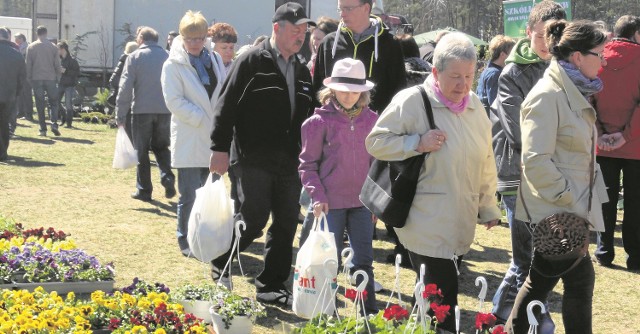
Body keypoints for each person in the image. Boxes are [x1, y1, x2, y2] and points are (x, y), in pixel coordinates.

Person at [366, 33, 501, 333]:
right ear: (435, 72)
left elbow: (486, 159)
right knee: (443, 301)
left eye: (468, 76)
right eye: (454, 76)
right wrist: (417, 143)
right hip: (425, 219)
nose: (462, 84)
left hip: (460, 220)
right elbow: (375, 142)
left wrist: (488, 205)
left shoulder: (475, 106)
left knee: (429, 296)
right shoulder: (413, 101)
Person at [504, 20, 609, 334]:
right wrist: (569, 199)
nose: (604, 62)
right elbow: (535, 160)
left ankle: (509, 329)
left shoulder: (569, 89)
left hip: (567, 207)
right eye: (599, 54)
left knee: (541, 281)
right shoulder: (549, 94)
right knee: (577, 280)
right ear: (577, 57)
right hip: (557, 209)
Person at [208, 2, 315, 306]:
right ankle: (222, 261)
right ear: (277, 28)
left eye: (305, 31)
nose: (301, 36)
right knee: (253, 217)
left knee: (285, 221)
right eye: (296, 30)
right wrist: (219, 148)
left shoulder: (302, 69)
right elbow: (225, 106)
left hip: (290, 160)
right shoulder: (251, 61)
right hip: (251, 155)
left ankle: (271, 284)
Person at [489, 2, 566, 328]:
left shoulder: (562, 68)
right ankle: (530, 323)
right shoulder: (513, 72)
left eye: (556, 35)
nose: (549, 43)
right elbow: (518, 130)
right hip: (519, 174)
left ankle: (498, 316)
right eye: (542, 36)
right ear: (528, 32)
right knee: (530, 259)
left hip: (550, 172)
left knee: (534, 258)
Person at [299, 58, 379, 314]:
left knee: (364, 261)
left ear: (363, 92)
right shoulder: (317, 123)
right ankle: (326, 312)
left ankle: (368, 313)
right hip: (329, 204)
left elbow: (378, 164)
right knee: (327, 263)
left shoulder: (373, 120)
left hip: (362, 204)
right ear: (332, 89)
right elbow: (307, 165)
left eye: (355, 91)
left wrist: (376, 200)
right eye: (343, 90)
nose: (349, 96)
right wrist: (317, 196)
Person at [161, 10, 225, 257]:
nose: (196, 44)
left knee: (210, 191)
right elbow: (173, 101)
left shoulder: (215, 59)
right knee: (188, 193)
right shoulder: (172, 64)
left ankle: (205, 235)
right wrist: (202, 117)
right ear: (182, 38)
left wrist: (219, 120)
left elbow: (222, 90)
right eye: (190, 39)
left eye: (200, 38)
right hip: (190, 134)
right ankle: (185, 239)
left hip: (213, 137)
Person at [593, 15, 640, 271]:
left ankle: (603, 251)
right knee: (635, 202)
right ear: (637, 34)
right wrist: (626, 135)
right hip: (635, 145)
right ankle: (635, 256)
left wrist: (599, 132)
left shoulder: (597, 57)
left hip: (603, 144)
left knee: (605, 199)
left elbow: (588, 97)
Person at [313, 0, 407, 114]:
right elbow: (318, 90)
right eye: (340, 9)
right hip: (332, 128)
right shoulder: (328, 43)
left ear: (366, 8)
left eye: (348, 9)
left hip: (376, 127)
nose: (342, 14)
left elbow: (399, 93)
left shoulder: (390, 44)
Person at [116, 27, 176, 202]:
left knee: (141, 151)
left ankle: (144, 189)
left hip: (141, 111)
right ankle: (167, 176)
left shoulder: (134, 57)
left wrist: (120, 114)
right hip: (165, 110)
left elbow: (125, 87)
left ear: (141, 39)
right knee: (161, 147)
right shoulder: (168, 56)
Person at [26, 25, 62, 137]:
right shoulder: (53, 47)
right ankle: (54, 123)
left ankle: (42, 129)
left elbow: (28, 65)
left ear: (37, 34)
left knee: (39, 104)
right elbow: (57, 65)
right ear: (46, 33)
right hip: (50, 78)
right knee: (54, 103)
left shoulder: (31, 47)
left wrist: (29, 78)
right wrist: (58, 78)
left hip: (37, 78)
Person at [0, 27, 26, 162]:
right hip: (9, 95)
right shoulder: (17, 54)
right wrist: (16, 93)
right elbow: (22, 77)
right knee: (4, 124)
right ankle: (2, 153)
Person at [476, 35, 515, 116]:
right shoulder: (495, 74)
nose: (514, 57)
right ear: (503, 54)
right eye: (512, 54)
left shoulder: (488, 70)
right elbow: (495, 105)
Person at [108, 41, 138, 141]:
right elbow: (113, 80)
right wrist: (125, 85)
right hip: (127, 98)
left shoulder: (127, 60)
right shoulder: (125, 61)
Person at [56, 41, 79, 128]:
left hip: (69, 85)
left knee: (68, 104)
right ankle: (64, 118)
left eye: (58, 49)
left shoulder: (72, 61)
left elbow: (77, 72)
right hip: (61, 83)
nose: (56, 51)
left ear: (63, 49)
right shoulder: (59, 59)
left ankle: (69, 123)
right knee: (56, 101)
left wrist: (66, 71)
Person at [14, 33, 33, 122]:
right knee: (20, 94)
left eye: (16, 38)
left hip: (26, 74)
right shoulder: (19, 47)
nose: (15, 41)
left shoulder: (27, 47)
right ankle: (20, 112)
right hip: (20, 74)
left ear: (21, 39)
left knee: (27, 94)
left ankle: (28, 114)